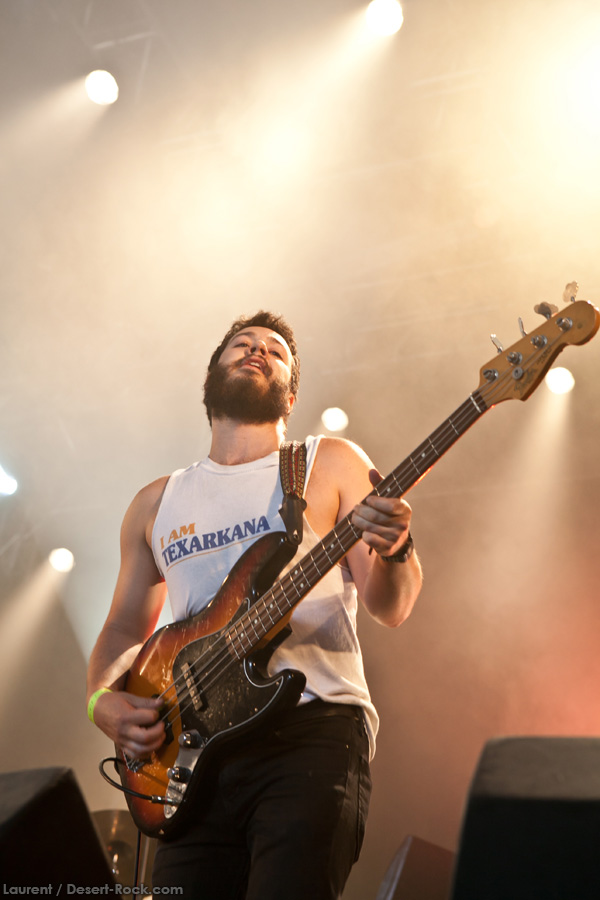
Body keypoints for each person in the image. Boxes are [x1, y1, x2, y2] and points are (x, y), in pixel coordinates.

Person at [86, 311, 422, 900]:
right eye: (242, 343)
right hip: (192, 756)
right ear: (211, 379)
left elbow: (389, 607)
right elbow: (121, 629)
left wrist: (396, 549)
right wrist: (101, 702)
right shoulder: (156, 503)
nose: (258, 350)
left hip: (310, 733)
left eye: (276, 350)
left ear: (291, 396)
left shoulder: (327, 462)